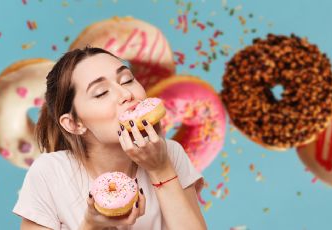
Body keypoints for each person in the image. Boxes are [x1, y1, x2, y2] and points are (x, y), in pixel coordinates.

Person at [12, 47, 207, 230]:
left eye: (127, 80)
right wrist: (91, 225)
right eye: (102, 92)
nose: (126, 94)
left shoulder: (170, 153)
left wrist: (161, 170)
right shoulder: (50, 172)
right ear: (74, 124)